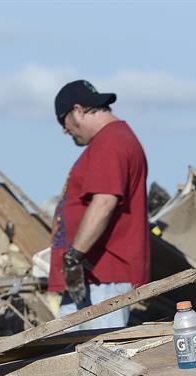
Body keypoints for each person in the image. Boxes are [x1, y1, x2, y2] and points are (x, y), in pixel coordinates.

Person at [49, 79, 150, 329]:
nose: (64, 130)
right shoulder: (113, 140)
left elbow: (104, 202)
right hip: (92, 278)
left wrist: (73, 257)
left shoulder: (110, 143)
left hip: (103, 278)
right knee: (71, 360)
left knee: (99, 359)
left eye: (63, 121)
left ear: (78, 110)